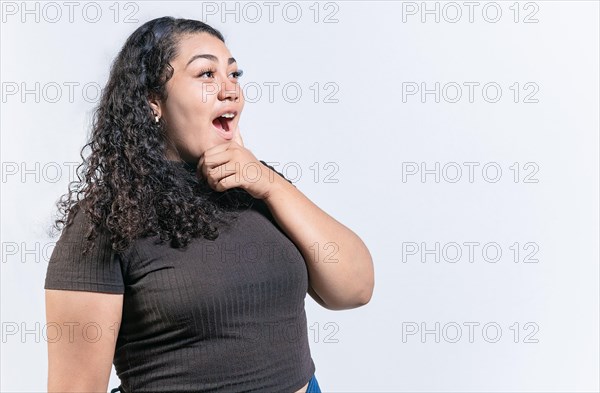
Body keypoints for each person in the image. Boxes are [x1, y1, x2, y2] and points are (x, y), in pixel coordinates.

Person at [44, 16, 374, 393]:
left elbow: (355, 289)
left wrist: (270, 184)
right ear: (154, 101)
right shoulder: (107, 218)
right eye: (205, 74)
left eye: (234, 74)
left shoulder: (257, 186)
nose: (230, 89)